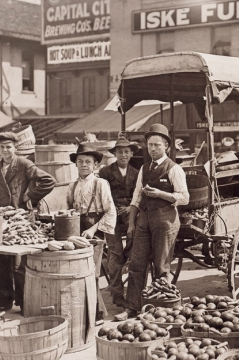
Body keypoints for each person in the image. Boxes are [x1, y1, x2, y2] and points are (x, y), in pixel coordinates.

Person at [0, 132, 57, 311]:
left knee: (20, 264)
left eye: (8, 147)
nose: (5, 150)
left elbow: (49, 181)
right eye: (2, 147)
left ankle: (24, 302)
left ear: (15, 148)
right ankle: (3, 301)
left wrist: (30, 195)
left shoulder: (24, 164)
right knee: (3, 262)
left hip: (21, 218)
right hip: (2, 219)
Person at [120, 124, 189, 320]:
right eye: (150, 145)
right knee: (136, 263)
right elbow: (136, 198)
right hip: (145, 220)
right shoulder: (144, 168)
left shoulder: (174, 169)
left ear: (166, 146)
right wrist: (132, 223)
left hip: (165, 219)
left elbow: (184, 198)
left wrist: (161, 194)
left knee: (161, 266)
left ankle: (161, 310)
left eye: (157, 145)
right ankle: (132, 307)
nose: (152, 149)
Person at [67, 144, 117, 323]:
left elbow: (110, 211)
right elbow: (70, 210)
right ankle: (84, 313)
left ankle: (96, 314)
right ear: (75, 165)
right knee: (77, 272)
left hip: (94, 230)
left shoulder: (100, 184)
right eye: (80, 161)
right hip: (77, 230)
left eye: (88, 162)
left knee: (92, 273)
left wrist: (93, 229)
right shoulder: (72, 186)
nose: (84, 165)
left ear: (95, 165)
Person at [97, 136, 139, 308]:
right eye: (120, 152)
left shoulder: (136, 173)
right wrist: (113, 209)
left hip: (129, 214)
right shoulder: (105, 172)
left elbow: (138, 196)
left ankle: (128, 256)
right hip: (111, 215)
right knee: (115, 254)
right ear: (115, 154)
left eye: (126, 152)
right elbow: (102, 195)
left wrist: (130, 207)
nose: (123, 155)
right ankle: (117, 294)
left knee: (135, 239)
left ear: (130, 154)